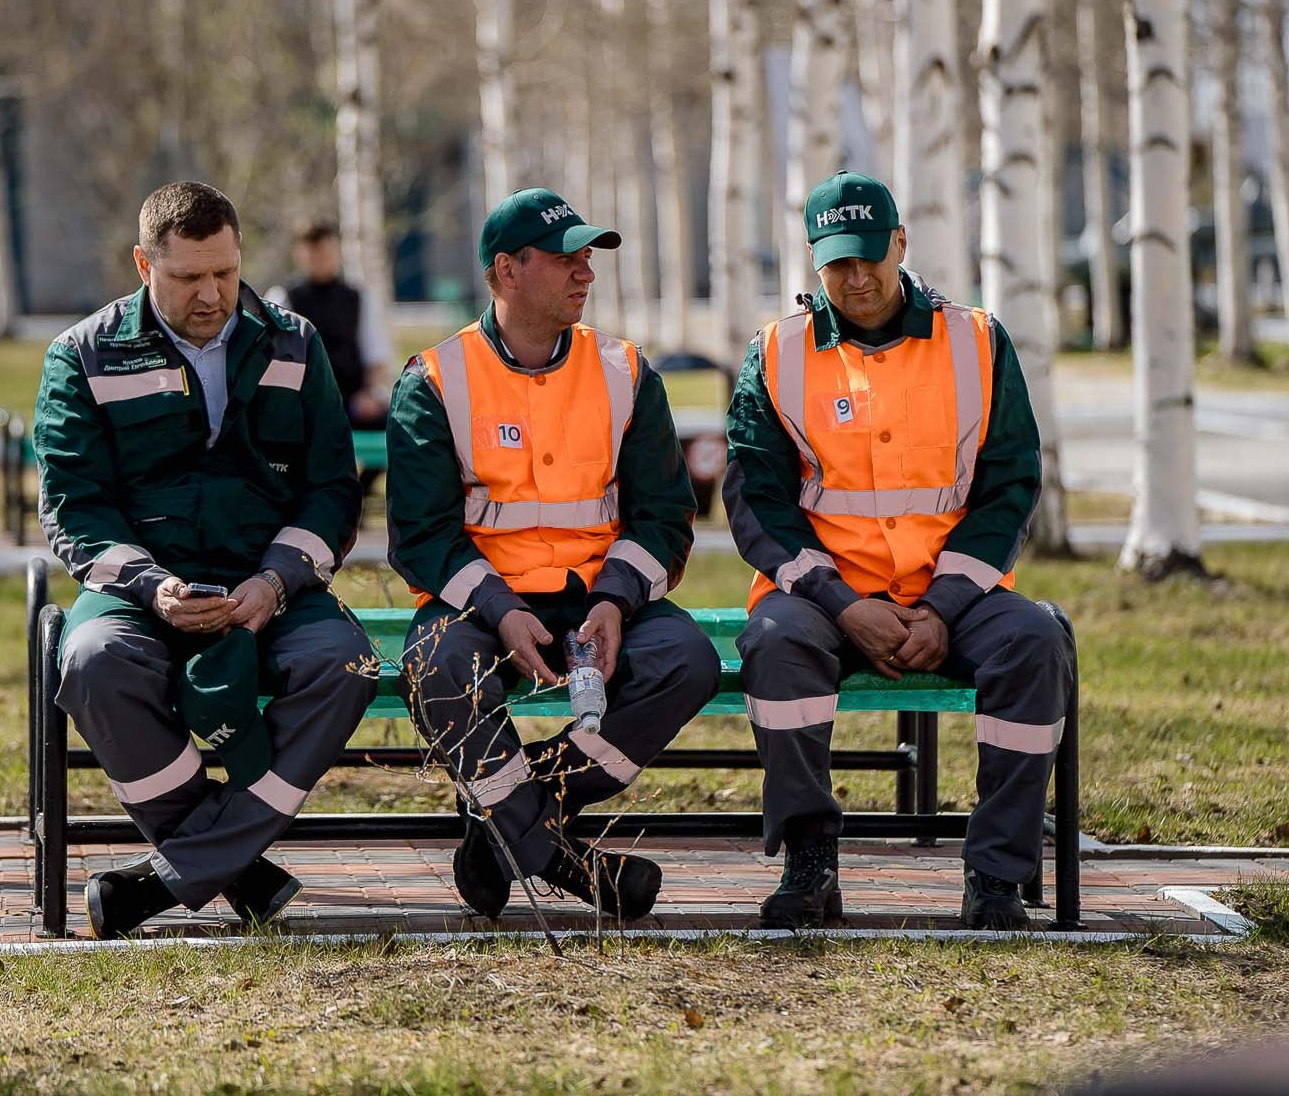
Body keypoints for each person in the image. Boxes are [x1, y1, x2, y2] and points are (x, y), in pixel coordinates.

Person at [725, 171, 1074, 930]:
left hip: (958, 599)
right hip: (824, 600)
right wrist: (843, 606)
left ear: (901, 245)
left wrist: (944, 608)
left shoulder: (977, 340)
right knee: (774, 642)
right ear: (814, 262)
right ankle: (810, 862)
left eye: (870, 257)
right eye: (838, 262)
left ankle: (996, 876)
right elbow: (758, 499)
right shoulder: (776, 353)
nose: (857, 278)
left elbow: (1010, 485)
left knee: (1037, 643)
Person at [34, 181, 376, 938]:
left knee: (346, 662)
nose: (212, 293)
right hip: (139, 591)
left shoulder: (296, 340)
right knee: (90, 660)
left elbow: (331, 491)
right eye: (188, 276)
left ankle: (168, 878)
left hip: (271, 585)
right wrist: (153, 587)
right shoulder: (81, 356)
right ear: (142, 263)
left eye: (224, 271)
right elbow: (72, 506)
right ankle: (234, 867)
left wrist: (277, 579)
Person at [387, 187, 719, 921]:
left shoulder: (626, 371)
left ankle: (501, 816)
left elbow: (665, 517)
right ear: (506, 270)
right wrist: (501, 607)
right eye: (565, 258)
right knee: (436, 668)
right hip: (479, 603)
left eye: (588, 258)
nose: (585, 273)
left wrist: (615, 599)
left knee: (687, 661)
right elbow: (420, 537)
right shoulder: (434, 380)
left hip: (599, 595)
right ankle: (552, 852)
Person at [270, 220, 394, 431]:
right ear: (299, 254)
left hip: (353, 402)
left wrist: (372, 394)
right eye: (313, 252)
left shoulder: (360, 297)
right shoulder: (282, 298)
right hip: (303, 399)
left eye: (326, 251)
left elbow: (376, 358)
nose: (320, 258)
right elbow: (275, 360)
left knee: (390, 424)